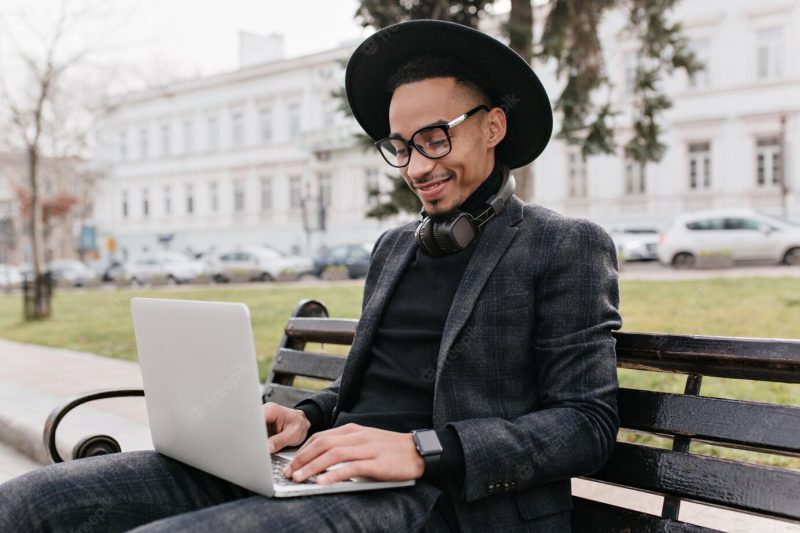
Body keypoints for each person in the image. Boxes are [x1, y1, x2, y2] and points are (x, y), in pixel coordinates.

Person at [0, 20, 621, 532]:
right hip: (321, 467)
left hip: (442, 501)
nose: (414, 166)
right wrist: (309, 416)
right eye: (400, 146)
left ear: (493, 127)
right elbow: (375, 389)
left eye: (433, 139)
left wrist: (422, 449)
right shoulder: (392, 249)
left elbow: (587, 424)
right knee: (27, 503)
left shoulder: (563, 247)